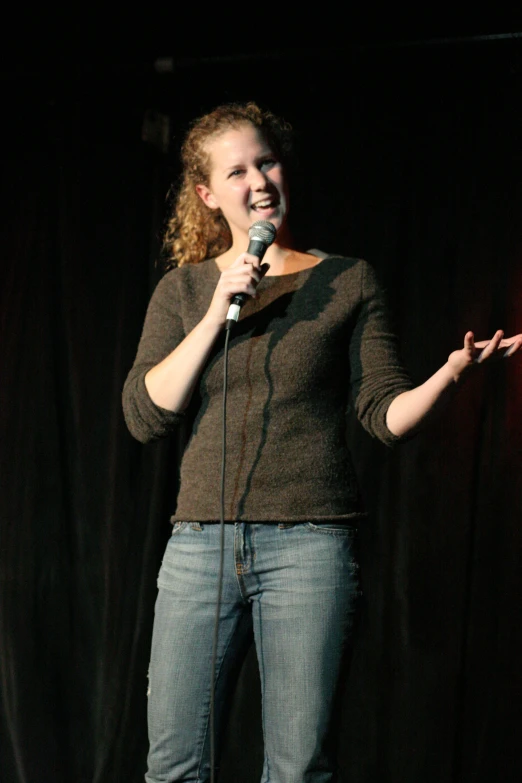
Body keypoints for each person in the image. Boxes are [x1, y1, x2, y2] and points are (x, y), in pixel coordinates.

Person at [122, 101, 521, 783]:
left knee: (298, 767)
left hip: (310, 544)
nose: (259, 181)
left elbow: (382, 414)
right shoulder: (185, 290)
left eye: (267, 161)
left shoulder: (347, 280)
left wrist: (450, 376)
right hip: (199, 547)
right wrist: (220, 305)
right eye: (237, 170)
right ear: (207, 194)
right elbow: (144, 413)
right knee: (175, 766)